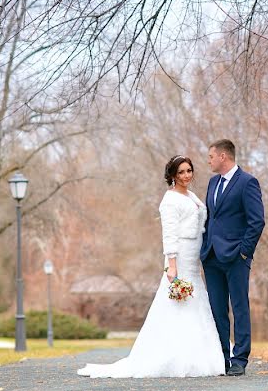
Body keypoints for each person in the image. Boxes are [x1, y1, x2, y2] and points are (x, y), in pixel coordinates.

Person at [77, 155, 225, 378]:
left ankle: (202, 353)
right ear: (173, 175)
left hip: (195, 254)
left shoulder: (192, 196)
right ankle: (174, 356)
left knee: (197, 298)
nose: (186, 175)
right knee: (179, 300)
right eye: (181, 172)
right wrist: (172, 265)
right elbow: (169, 234)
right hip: (180, 255)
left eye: (189, 170)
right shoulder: (170, 200)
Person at [201, 139, 266, 376]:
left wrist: (244, 252)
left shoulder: (247, 182)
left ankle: (240, 358)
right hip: (211, 257)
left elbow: (257, 221)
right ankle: (222, 357)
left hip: (236, 257)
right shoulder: (212, 183)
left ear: (223, 156)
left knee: (239, 307)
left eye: (211, 156)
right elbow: (211, 218)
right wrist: (205, 248)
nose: (208, 160)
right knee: (217, 309)